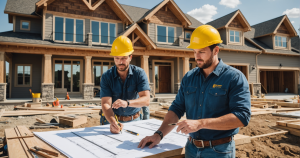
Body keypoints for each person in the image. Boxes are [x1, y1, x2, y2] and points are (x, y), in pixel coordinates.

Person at [138, 25, 251, 158]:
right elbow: (177, 108)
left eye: (202, 52)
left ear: (215, 50)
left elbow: (242, 117)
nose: (197, 56)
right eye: (194, 51)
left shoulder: (234, 77)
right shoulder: (189, 77)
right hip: (191, 148)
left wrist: (200, 123)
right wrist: (159, 134)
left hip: (219, 151)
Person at [100, 36, 151, 134]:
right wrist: (113, 122)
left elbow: (146, 100)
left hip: (135, 120)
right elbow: (106, 103)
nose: (120, 62)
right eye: (117, 58)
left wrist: (127, 103)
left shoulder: (139, 74)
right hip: (112, 120)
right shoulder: (107, 76)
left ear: (130, 57)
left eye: (124, 58)